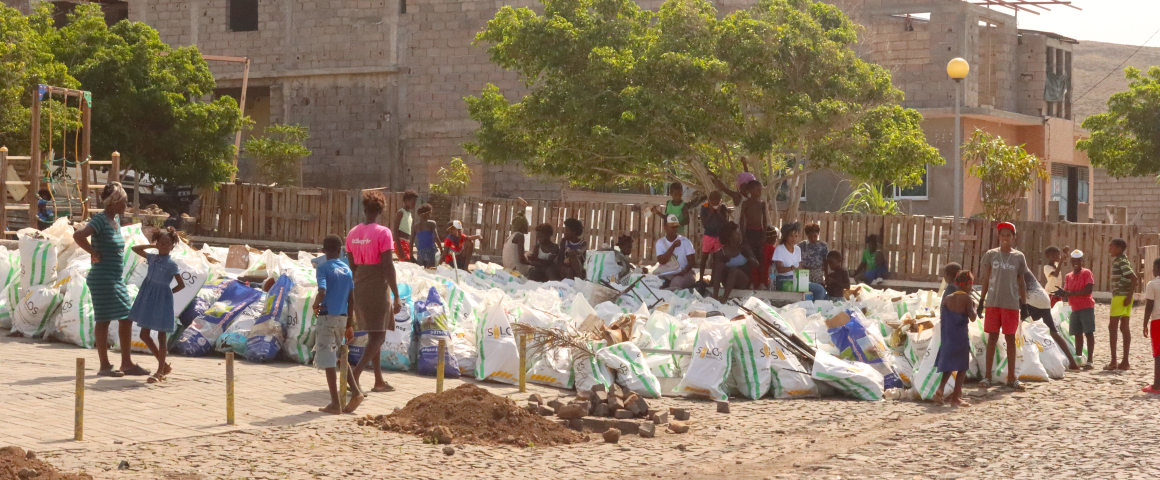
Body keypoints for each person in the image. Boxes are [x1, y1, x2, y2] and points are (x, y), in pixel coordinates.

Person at [73, 183, 148, 377]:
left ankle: (122, 363)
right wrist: (93, 252)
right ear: (114, 202)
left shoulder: (114, 221)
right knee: (112, 318)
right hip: (102, 278)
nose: (126, 205)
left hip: (115, 277)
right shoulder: (100, 220)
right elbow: (78, 235)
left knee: (119, 318)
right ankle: (109, 365)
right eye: (124, 201)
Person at [344, 190, 403, 413]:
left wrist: (360, 280)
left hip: (359, 283)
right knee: (378, 336)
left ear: (364, 209)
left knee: (374, 334)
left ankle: (378, 380)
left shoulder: (352, 233)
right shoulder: (383, 233)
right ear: (379, 211)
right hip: (378, 285)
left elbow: (351, 264)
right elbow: (388, 265)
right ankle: (355, 375)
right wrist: (396, 294)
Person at [127, 227, 186, 384]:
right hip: (147, 296)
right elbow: (135, 248)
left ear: (172, 246)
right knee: (144, 334)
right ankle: (164, 365)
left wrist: (167, 294)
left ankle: (160, 371)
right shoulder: (152, 258)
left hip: (162, 299)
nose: (164, 246)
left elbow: (181, 285)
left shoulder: (171, 265)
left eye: (168, 244)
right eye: (161, 243)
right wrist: (153, 246)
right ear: (157, 244)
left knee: (161, 336)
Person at [976, 222, 1027, 389]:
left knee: (1010, 340)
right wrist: (982, 301)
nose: (1005, 238)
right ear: (999, 237)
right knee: (992, 339)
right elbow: (985, 279)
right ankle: (987, 376)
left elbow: (1021, 281)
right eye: (1002, 235)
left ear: (1014, 238)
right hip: (993, 303)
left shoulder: (1019, 257)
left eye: (1008, 235)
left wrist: (1024, 303)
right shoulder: (991, 255)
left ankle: (1012, 377)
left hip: (1011, 304)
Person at [311, 234, 355, 414]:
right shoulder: (347, 269)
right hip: (342, 318)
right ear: (340, 250)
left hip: (327, 317)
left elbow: (322, 290)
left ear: (323, 251)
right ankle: (357, 392)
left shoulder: (322, 268)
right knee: (341, 357)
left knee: (329, 361)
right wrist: (350, 324)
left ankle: (335, 404)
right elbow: (352, 298)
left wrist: (315, 305)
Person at [1022, 266, 1080, 371]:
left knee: (1016, 328)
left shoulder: (1013, 263)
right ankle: (1073, 363)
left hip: (1032, 298)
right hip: (1044, 298)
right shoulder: (1022, 264)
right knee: (1053, 331)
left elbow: (1020, 286)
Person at [933, 270, 976, 407]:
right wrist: (973, 307)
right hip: (960, 338)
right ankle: (955, 398)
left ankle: (940, 388)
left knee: (949, 367)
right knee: (962, 368)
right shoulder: (967, 299)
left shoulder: (947, 298)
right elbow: (973, 317)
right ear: (968, 284)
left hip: (947, 338)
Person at [1057, 249, 1095, 369]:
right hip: (1074, 308)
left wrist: (1070, 294)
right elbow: (1067, 291)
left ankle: (1090, 360)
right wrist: (1062, 293)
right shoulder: (1068, 276)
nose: (1076, 262)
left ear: (1082, 261)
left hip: (1086, 307)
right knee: (1077, 334)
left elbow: (1088, 290)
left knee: (1088, 333)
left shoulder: (1087, 273)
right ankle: (1079, 357)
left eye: (1078, 260)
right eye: (1074, 260)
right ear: (1071, 261)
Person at [771, 222, 827, 301]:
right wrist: (791, 268)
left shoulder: (797, 249)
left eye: (796, 236)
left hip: (796, 279)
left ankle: (813, 309)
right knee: (819, 289)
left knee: (821, 290)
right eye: (791, 236)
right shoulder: (780, 249)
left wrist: (803, 274)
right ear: (785, 236)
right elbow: (779, 269)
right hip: (783, 280)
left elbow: (800, 267)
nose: (794, 238)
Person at [1108, 238, 1138, 371]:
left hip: (1120, 297)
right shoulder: (1123, 261)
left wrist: (1129, 296)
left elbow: (1134, 278)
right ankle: (1124, 362)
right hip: (1124, 297)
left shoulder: (1121, 262)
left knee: (1112, 328)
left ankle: (1114, 361)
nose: (1109, 249)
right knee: (1124, 327)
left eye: (1111, 247)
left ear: (1119, 248)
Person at [709, 222, 755, 301]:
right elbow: (716, 272)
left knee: (733, 270)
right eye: (737, 234)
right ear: (729, 236)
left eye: (739, 233)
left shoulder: (744, 248)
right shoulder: (722, 252)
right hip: (727, 281)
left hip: (742, 281)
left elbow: (756, 264)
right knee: (719, 266)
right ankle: (715, 296)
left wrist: (748, 257)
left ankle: (725, 298)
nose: (739, 236)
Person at [654, 214, 697, 290]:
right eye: (672, 227)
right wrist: (673, 246)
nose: (674, 229)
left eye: (675, 227)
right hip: (668, 273)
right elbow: (662, 261)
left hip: (685, 273)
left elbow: (692, 261)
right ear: (665, 227)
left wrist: (684, 271)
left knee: (676, 282)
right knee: (654, 282)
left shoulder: (685, 241)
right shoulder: (660, 242)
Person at [699, 191, 728, 282]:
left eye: (717, 201)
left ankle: (714, 279)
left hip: (719, 236)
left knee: (716, 259)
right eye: (713, 201)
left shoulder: (723, 208)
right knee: (704, 256)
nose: (715, 203)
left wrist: (719, 213)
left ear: (720, 201)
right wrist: (711, 213)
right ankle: (700, 278)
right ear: (709, 200)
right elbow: (704, 223)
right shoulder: (705, 207)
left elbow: (726, 222)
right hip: (708, 234)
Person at [1142, 258, 1160, 394]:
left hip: (1157, 321)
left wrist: (1144, 324)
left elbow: (1149, 306)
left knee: (1158, 353)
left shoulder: (1152, 284)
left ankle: (1157, 385)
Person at [738, 180, 768, 259]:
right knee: (750, 255)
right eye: (758, 190)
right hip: (749, 232)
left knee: (760, 255)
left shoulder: (762, 204)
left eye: (760, 190)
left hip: (759, 232)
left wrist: (764, 235)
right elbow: (742, 220)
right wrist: (743, 235)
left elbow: (765, 220)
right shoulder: (746, 203)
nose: (760, 192)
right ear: (751, 191)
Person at [502, 206, 531, 276]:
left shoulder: (510, 237)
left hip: (507, 268)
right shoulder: (520, 236)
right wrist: (530, 263)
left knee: (529, 254)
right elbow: (521, 259)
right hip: (516, 270)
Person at [393, 190, 418, 262]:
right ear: (406, 201)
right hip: (400, 243)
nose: (414, 203)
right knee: (406, 264)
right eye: (413, 201)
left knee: (408, 266)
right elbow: (395, 230)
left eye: (415, 201)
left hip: (406, 242)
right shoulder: (401, 212)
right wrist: (399, 248)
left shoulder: (409, 214)